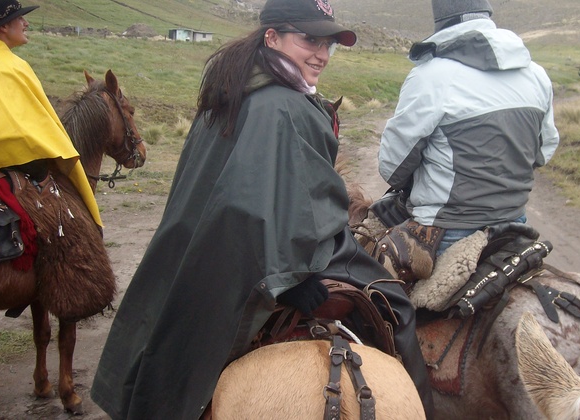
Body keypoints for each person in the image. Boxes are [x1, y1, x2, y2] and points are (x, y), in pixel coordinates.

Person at [90, 0, 434, 418]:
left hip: (204, 244)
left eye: (328, 43)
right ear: (272, 37)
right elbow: (262, 206)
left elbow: (238, 195)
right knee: (394, 302)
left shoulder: (231, 89)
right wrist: (288, 277)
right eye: (309, 39)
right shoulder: (284, 105)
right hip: (281, 254)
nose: (321, 54)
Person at [378, 0, 559, 256]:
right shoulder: (537, 74)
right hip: (514, 223)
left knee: (372, 283)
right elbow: (544, 152)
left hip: (446, 231)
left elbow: (392, 168)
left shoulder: (430, 76)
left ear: (440, 19)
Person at [0, 0, 102, 227]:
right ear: (3, 27)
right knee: (70, 230)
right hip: (3, 164)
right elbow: (16, 133)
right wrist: (42, 171)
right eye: (20, 18)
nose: (26, 23)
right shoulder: (8, 65)